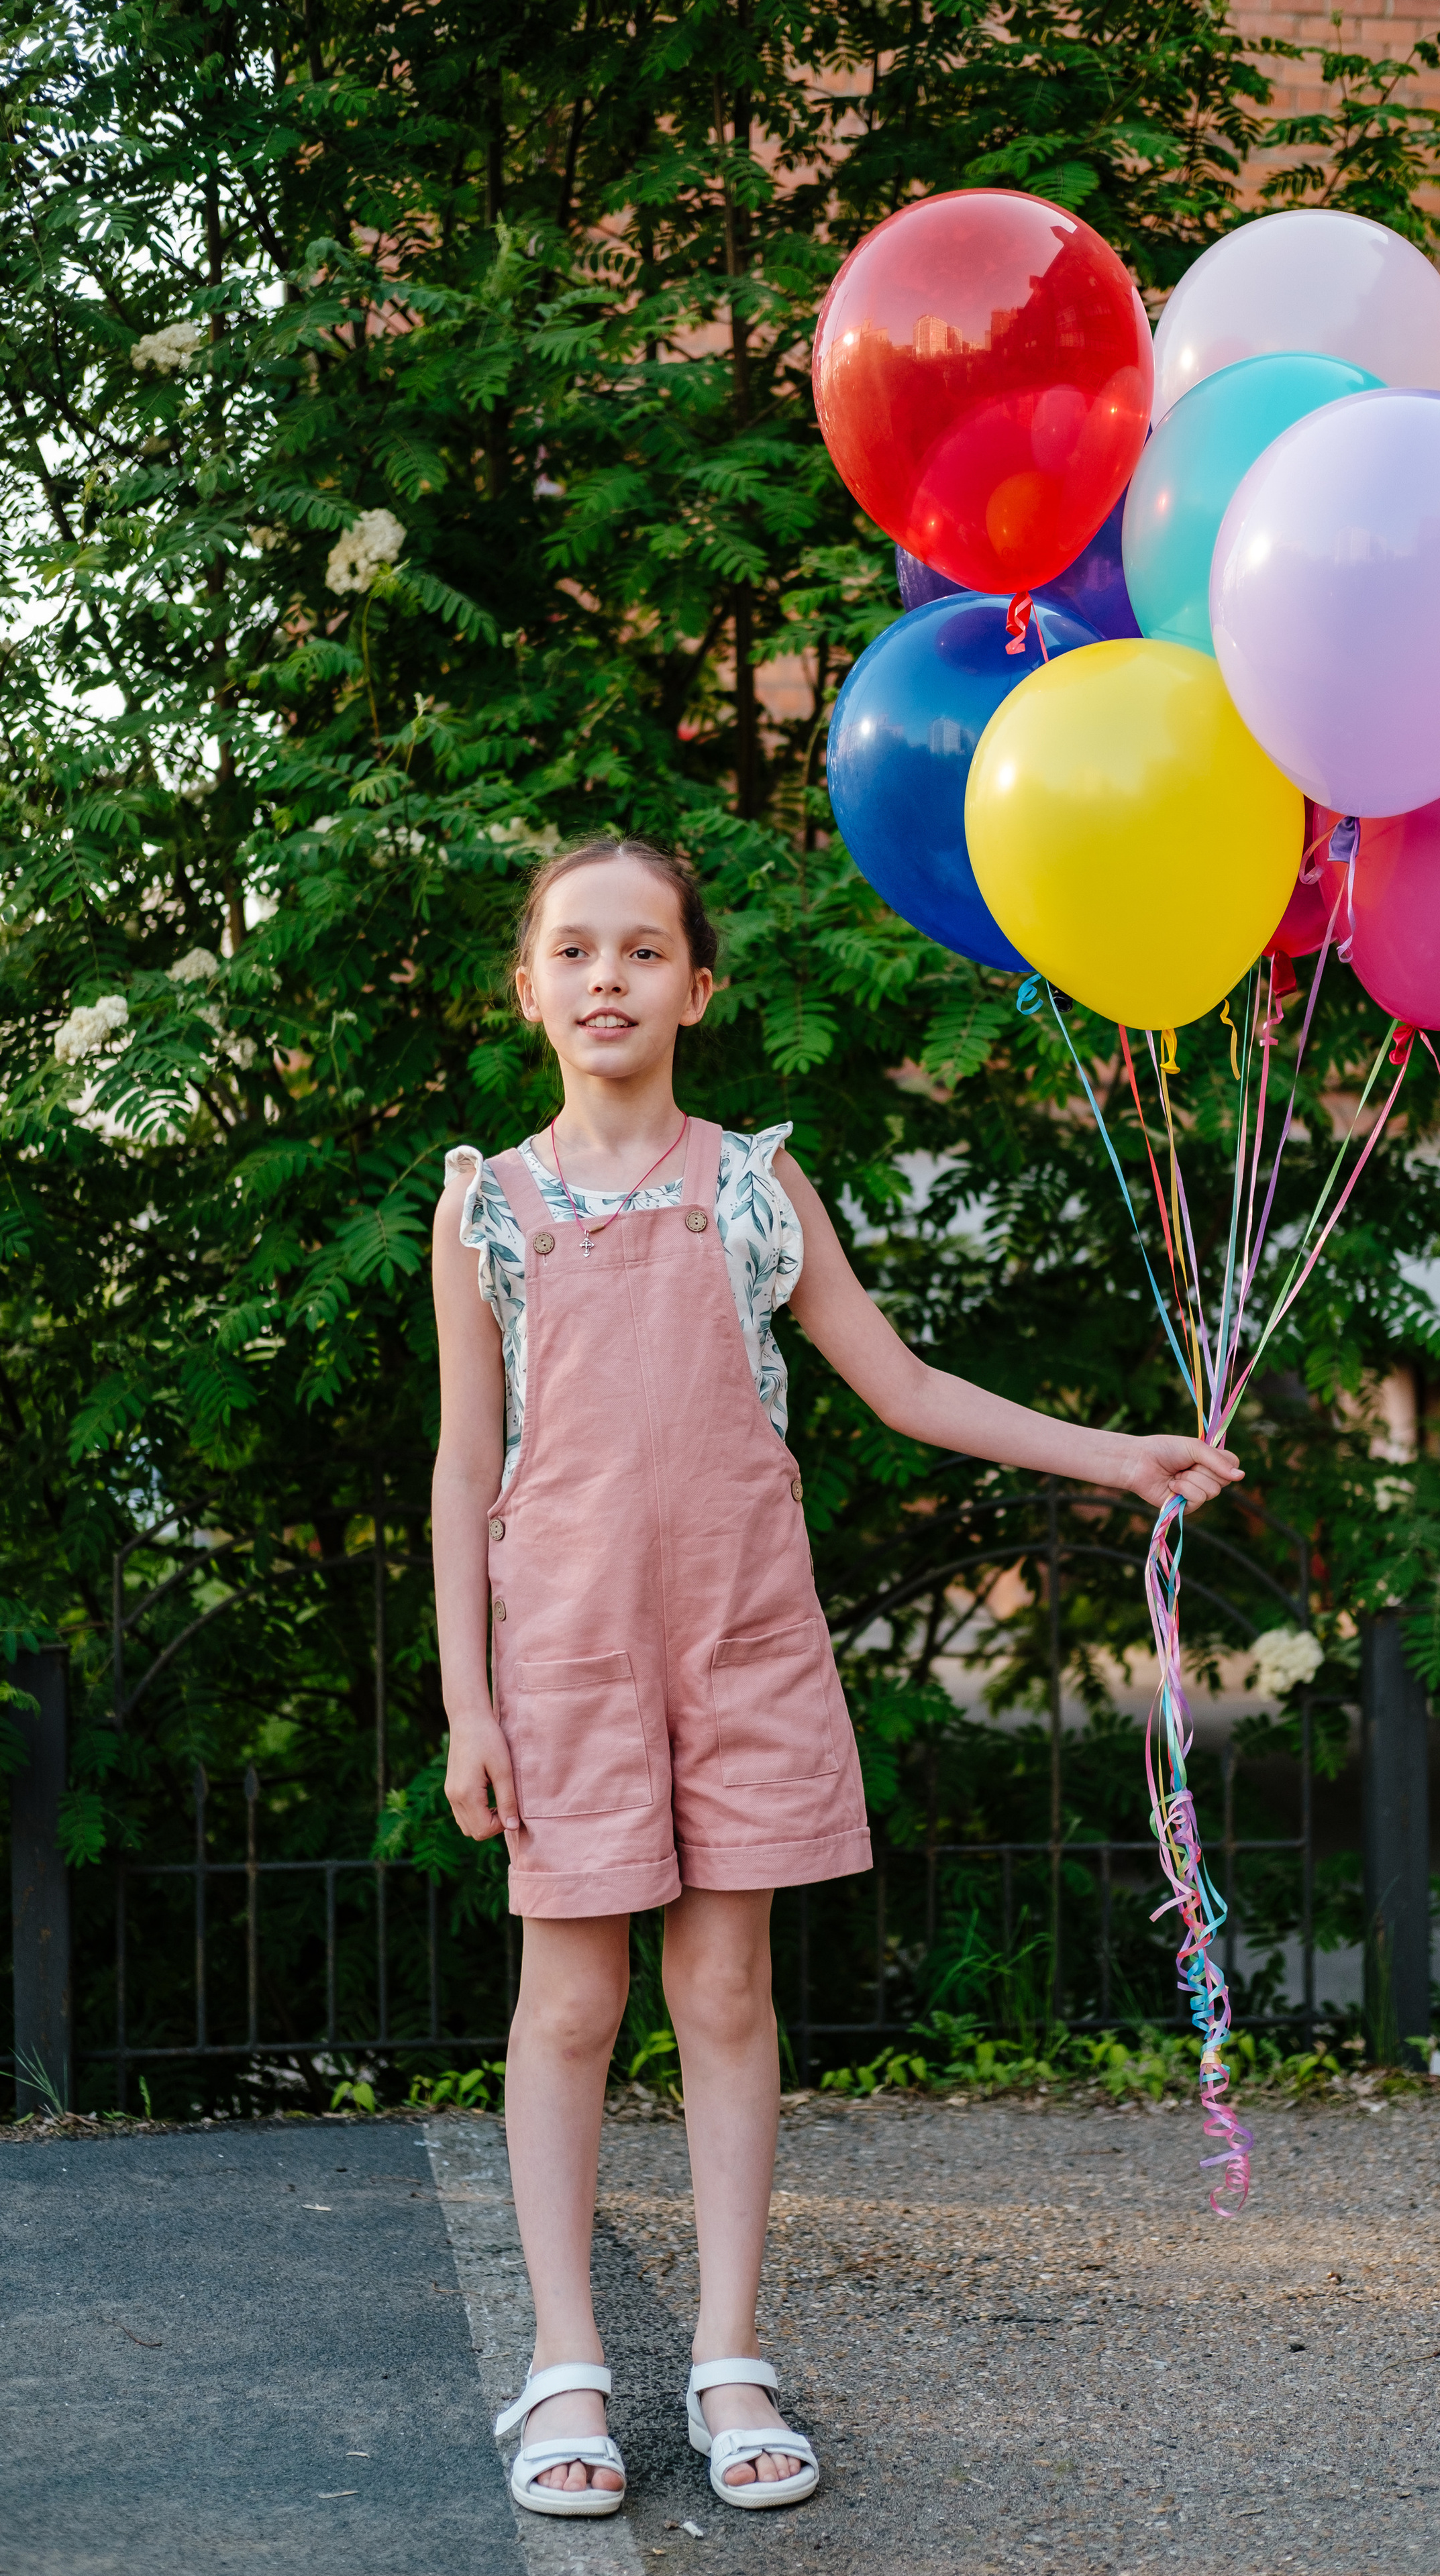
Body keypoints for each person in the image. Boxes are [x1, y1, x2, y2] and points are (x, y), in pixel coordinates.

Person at [431, 835, 1241, 2521]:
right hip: (564, 1663)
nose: (605, 979)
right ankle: (563, 2363)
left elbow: (901, 1385)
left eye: (642, 951)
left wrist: (1116, 1457)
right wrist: (468, 1701)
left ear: (696, 988)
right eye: (573, 951)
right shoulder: (485, 1208)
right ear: (527, 989)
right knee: (570, 2005)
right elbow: (460, 1471)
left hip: (740, 1647)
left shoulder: (752, 1186)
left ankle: (730, 2357)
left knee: (724, 1996)